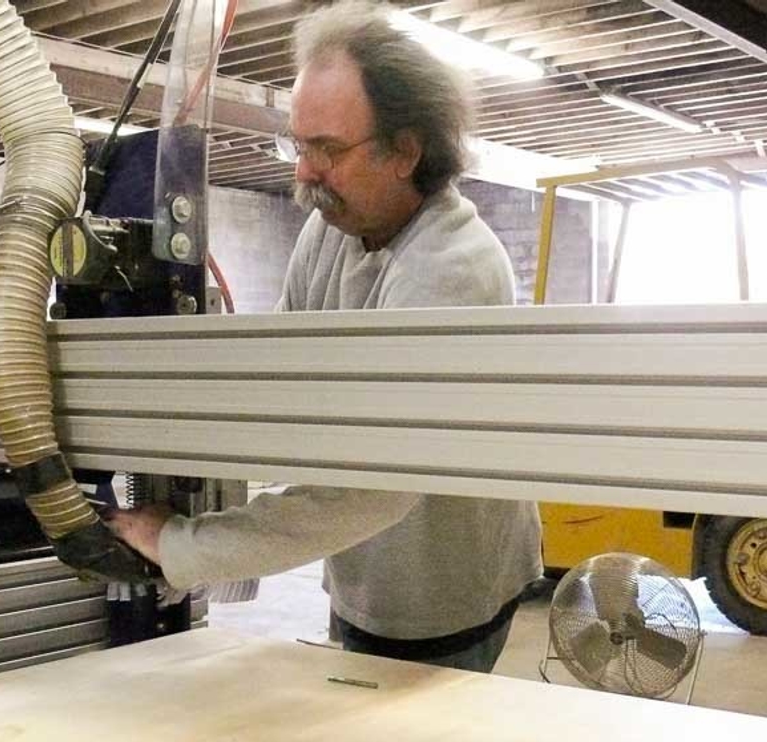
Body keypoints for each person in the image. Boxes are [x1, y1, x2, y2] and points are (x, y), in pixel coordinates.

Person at [106, 0, 542, 673]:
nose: (304, 173)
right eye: (298, 144)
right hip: (363, 568)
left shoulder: (453, 268)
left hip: (442, 587)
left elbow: (373, 488)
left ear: (405, 151)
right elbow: (290, 388)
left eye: (328, 150)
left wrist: (185, 544)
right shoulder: (329, 229)